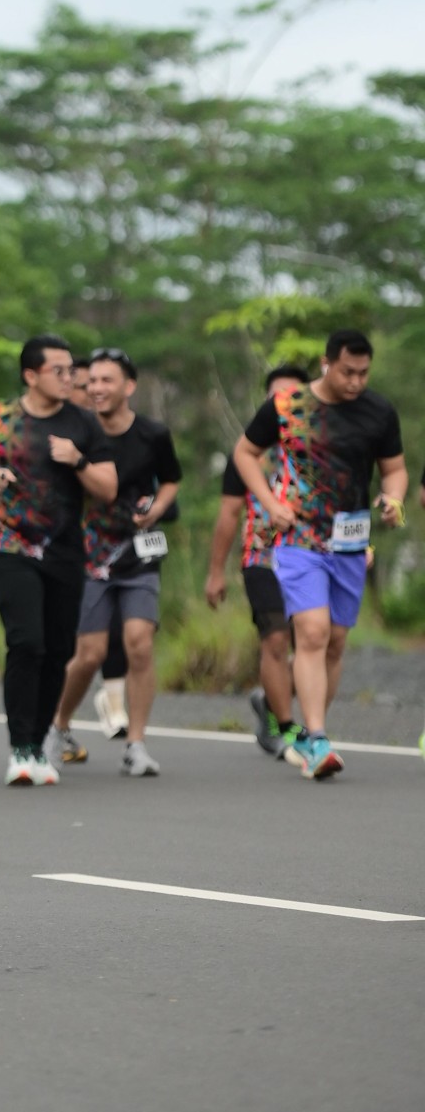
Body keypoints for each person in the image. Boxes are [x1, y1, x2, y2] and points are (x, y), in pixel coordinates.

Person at [233, 328, 406, 781]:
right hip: (299, 537)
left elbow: (394, 469)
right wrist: (271, 505)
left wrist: (394, 499)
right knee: (312, 631)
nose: (356, 382)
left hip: (350, 541)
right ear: (327, 363)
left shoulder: (379, 411)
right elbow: (245, 453)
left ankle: (311, 736)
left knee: (335, 642)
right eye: (348, 372)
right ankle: (319, 737)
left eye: (363, 373)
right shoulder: (287, 406)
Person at [0, 335, 117, 787]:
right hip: (10, 547)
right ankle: (20, 748)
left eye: (72, 371)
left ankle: (40, 740)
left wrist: (78, 460)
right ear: (31, 375)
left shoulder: (82, 423)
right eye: (59, 371)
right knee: (26, 641)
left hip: (65, 551)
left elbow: (108, 487)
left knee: (58, 649)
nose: (70, 378)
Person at [47, 349, 181, 776]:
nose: (97, 388)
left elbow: (172, 480)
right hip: (87, 557)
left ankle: (136, 744)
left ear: (129, 386)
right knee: (90, 654)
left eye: (107, 381)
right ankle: (57, 726)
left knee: (139, 643)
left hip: (139, 554)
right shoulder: (74, 432)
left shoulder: (153, 434)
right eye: (92, 382)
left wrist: (157, 509)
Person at [204, 363, 311, 762]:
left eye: (294, 396)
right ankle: (284, 726)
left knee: (314, 643)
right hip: (262, 556)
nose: (284, 403)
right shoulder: (248, 452)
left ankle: (269, 699)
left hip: (312, 556)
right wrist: (216, 572)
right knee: (276, 639)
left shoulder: (321, 448)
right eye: (276, 395)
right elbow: (229, 513)